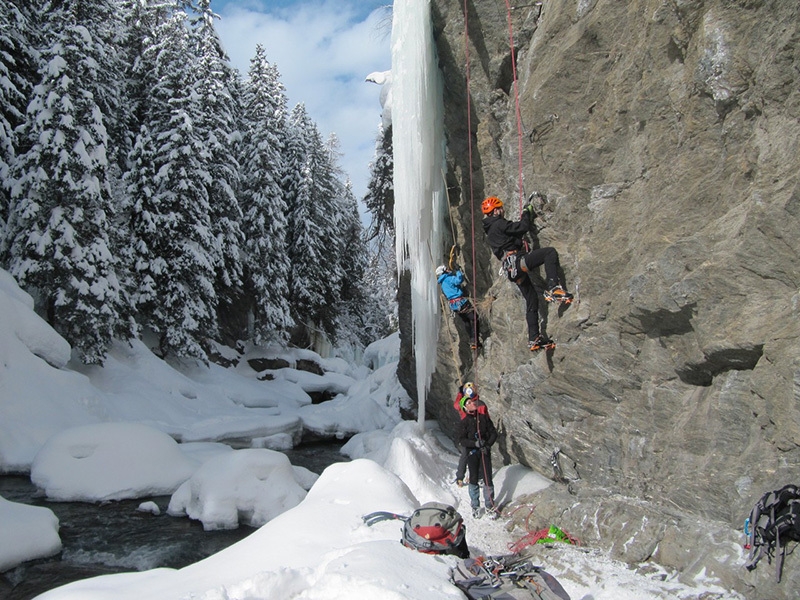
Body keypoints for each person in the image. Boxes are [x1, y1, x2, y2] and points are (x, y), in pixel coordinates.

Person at [481, 195, 573, 352]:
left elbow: (508, 239)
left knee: (532, 301)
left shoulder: (490, 233)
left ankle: (534, 338)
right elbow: (522, 227)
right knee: (549, 253)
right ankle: (553, 287)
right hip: (517, 261)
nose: (503, 211)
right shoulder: (499, 224)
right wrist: (526, 212)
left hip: (511, 271)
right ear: (496, 211)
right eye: (501, 208)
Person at [455, 393, 498, 518]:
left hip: (484, 452)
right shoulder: (464, 423)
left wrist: (487, 445)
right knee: (473, 478)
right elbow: (461, 440)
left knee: (487, 478)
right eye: (468, 403)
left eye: (471, 402)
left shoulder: (484, 418)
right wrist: (474, 443)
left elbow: (493, 433)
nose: (472, 403)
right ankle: (475, 506)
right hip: (472, 453)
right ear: (465, 409)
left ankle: (489, 506)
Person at [452, 382, 488, 488]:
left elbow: (457, 405)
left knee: (472, 455)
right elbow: (457, 405)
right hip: (468, 432)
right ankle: (462, 476)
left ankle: (466, 476)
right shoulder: (467, 403)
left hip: (474, 430)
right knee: (468, 454)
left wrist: (460, 394)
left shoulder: (477, 403)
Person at [436, 265, 481, 349]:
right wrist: (458, 272)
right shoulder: (448, 279)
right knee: (474, 318)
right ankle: (475, 340)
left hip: (454, 306)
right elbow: (459, 280)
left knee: (466, 320)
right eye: (447, 269)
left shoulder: (442, 284)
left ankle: (472, 339)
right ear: (444, 271)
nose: (449, 270)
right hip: (461, 302)